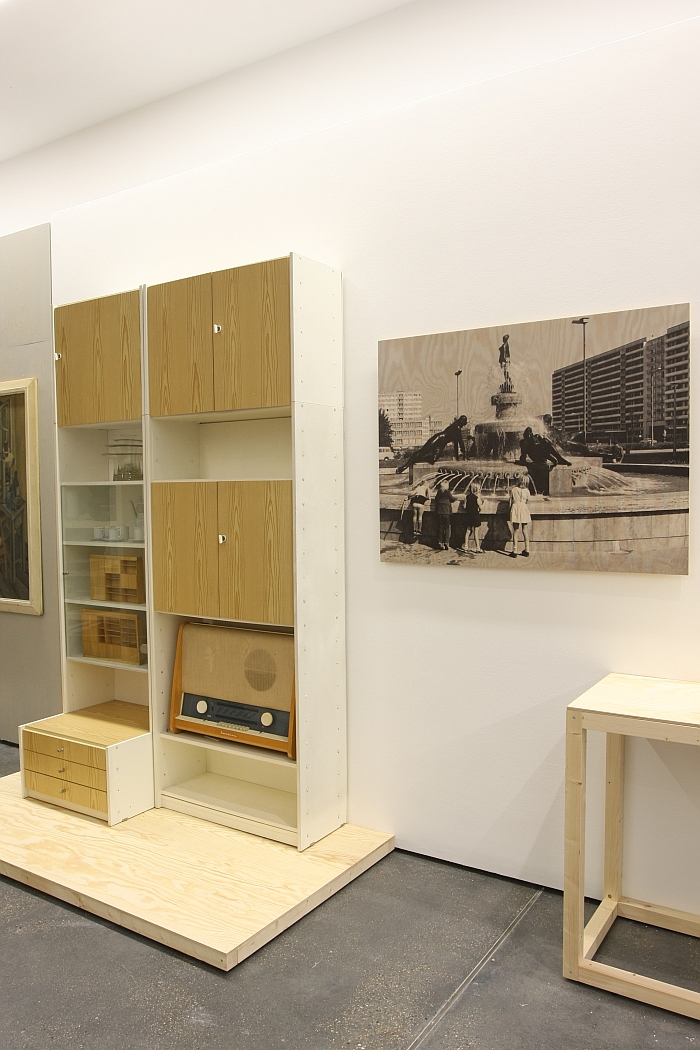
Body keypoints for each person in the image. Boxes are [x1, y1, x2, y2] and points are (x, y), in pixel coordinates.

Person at [396, 416, 468, 473]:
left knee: (432, 460)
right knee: (422, 451)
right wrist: (464, 454)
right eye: (464, 423)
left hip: (442, 444)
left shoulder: (457, 428)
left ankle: (415, 459)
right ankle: (404, 467)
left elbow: (456, 444)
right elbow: (460, 443)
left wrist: (458, 458)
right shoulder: (457, 427)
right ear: (462, 421)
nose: (463, 425)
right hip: (438, 438)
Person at [507, 476, 532, 558]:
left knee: (516, 530)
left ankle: (514, 550)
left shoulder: (513, 489)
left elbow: (510, 501)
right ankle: (527, 549)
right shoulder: (527, 491)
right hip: (524, 509)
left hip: (516, 508)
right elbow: (527, 501)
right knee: (525, 530)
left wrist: (509, 510)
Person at [433, 480, 460, 550]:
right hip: (446, 513)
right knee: (447, 528)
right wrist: (457, 498)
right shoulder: (447, 493)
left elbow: (436, 499)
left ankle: (440, 542)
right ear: (446, 486)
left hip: (439, 512)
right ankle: (446, 542)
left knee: (440, 528)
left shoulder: (439, 492)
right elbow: (452, 499)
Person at [462, 481, 484, 553]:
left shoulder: (466, 497)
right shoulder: (477, 498)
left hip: (468, 516)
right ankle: (477, 548)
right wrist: (485, 503)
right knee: (476, 532)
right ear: (477, 489)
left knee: (468, 531)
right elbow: (481, 508)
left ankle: (465, 546)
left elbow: (464, 506)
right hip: (475, 516)